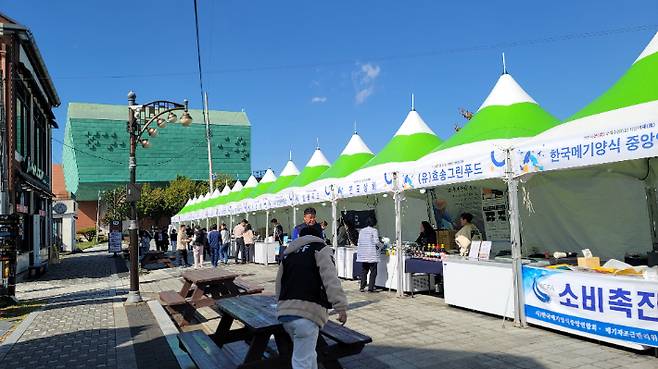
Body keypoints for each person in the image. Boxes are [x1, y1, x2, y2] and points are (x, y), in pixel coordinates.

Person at [276, 225, 348, 369]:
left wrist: (280, 304)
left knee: (308, 355)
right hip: (307, 313)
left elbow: (279, 283)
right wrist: (341, 307)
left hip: (285, 314)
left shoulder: (289, 253)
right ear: (319, 235)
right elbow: (330, 279)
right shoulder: (320, 249)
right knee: (302, 361)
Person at [356, 217, 381, 293]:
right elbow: (376, 242)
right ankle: (371, 288)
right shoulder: (374, 230)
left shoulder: (362, 231)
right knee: (373, 271)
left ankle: (362, 287)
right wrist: (382, 245)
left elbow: (359, 241)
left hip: (363, 254)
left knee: (364, 271)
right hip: (371, 254)